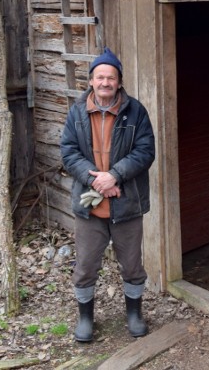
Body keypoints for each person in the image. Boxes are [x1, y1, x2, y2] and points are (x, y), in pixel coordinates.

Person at [60, 47, 156, 342]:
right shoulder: (76, 112)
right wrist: (98, 181)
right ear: (91, 81)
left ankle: (134, 315)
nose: (105, 83)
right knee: (86, 266)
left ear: (119, 81)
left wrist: (115, 176)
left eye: (111, 78)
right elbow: (69, 152)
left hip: (126, 203)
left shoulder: (135, 111)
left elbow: (145, 151)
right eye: (100, 77)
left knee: (132, 264)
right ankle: (86, 319)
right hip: (89, 208)